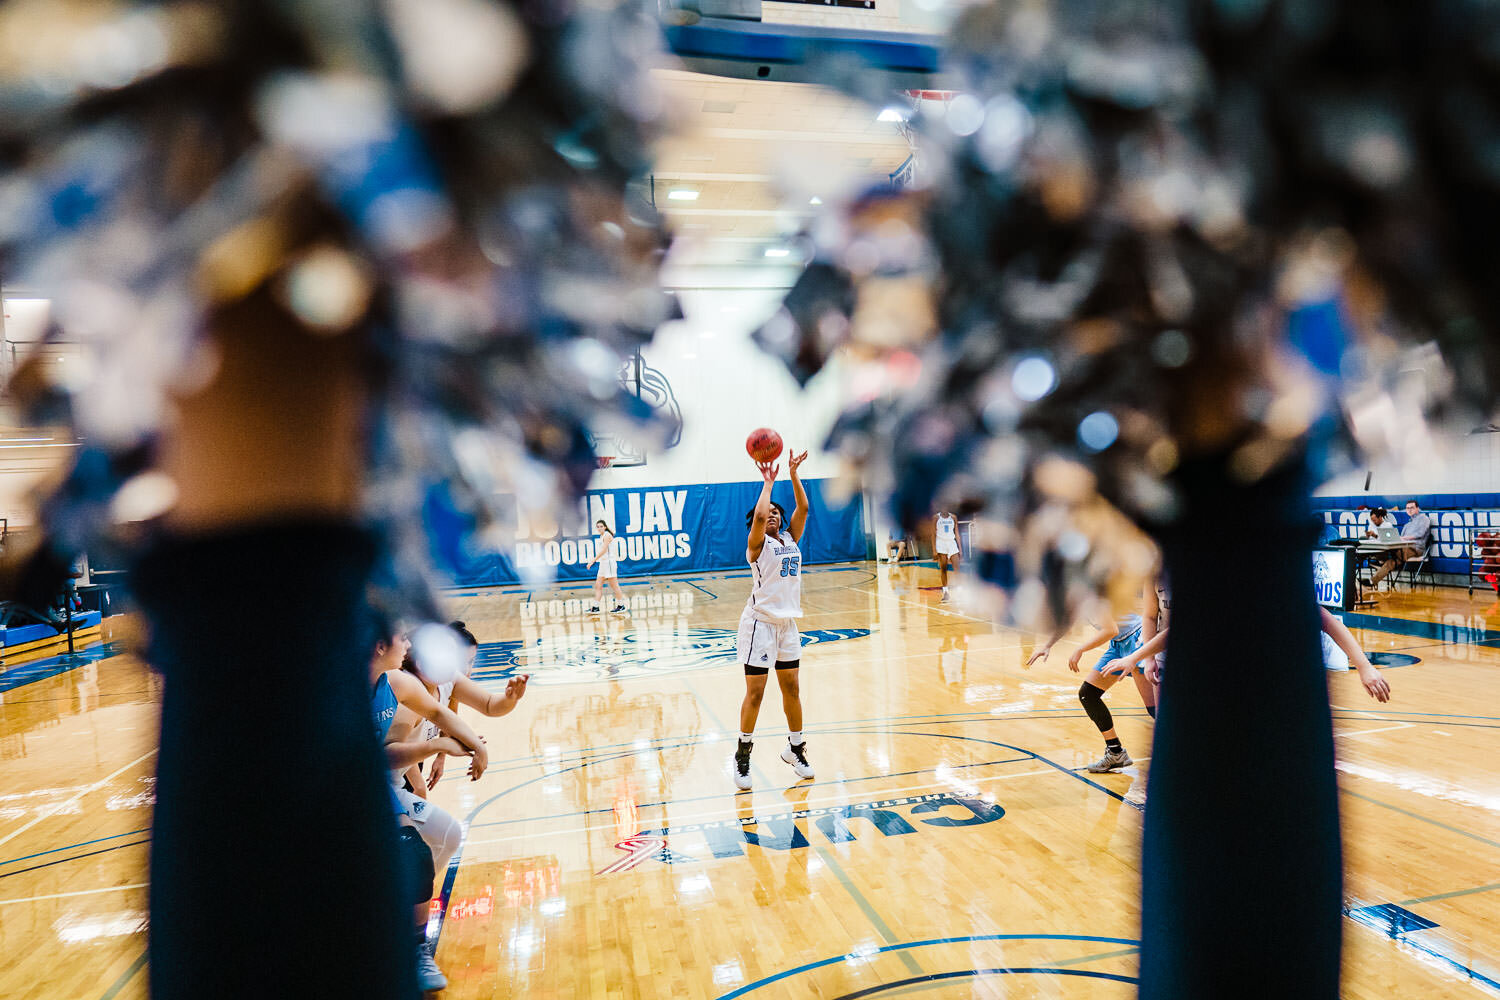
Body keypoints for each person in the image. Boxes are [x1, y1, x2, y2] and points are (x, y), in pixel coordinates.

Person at [371, 625, 490, 992]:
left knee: (427, 847)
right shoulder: (341, 687)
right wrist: (434, 748)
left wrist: (476, 747)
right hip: (339, 788)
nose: (405, 644)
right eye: (400, 639)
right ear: (378, 646)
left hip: (377, 786)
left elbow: (444, 715)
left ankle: (414, 946)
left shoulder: (396, 682)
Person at [733, 449, 813, 790]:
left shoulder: (791, 538)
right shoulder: (757, 545)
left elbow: (804, 509)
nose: (774, 516)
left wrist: (792, 474)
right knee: (756, 693)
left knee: (792, 688)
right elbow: (759, 517)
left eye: (777, 513)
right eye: (768, 514)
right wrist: (768, 482)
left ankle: (795, 748)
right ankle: (742, 754)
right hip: (759, 625)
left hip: (787, 624)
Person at [1028, 597, 1155, 773]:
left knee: (1155, 709)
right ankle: (1116, 752)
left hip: (1137, 640)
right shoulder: (1078, 592)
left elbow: (1111, 630)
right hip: (1118, 645)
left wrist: (1080, 649)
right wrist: (1048, 645)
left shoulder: (1094, 592)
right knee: (1088, 694)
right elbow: (1068, 619)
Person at [404, 621, 531, 794]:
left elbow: (489, 705)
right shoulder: (408, 688)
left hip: (407, 762)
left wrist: (510, 698)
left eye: (470, 661)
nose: (464, 669)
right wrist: (419, 786)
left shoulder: (448, 680)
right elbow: (396, 745)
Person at [1370, 499, 1431, 587]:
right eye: (1407, 508)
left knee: (1389, 552)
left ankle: (1380, 560)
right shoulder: (1407, 525)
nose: (1409, 510)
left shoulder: (1424, 519)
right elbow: (1400, 540)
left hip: (1416, 550)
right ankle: (1372, 582)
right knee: (1391, 562)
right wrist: (1398, 539)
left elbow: (1420, 534)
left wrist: (1402, 538)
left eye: (1412, 508)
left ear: (1417, 508)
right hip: (1404, 551)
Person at [585, 519, 628, 614]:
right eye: (598, 527)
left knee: (614, 585)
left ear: (605, 527)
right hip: (603, 564)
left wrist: (593, 560)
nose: (599, 528)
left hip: (609, 563)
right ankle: (595, 607)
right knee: (598, 585)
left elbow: (604, 550)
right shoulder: (601, 536)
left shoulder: (607, 535)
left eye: (601, 526)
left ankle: (621, 605)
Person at [934, 510, 960, 601]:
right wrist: (934, 550)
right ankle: (945, 593)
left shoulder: (953, 517)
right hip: (941, 544)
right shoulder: (936, 517)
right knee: (943, 569)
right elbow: (932, 534)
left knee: (957, 568)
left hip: (952, 543)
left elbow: (957, 533)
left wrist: (960, 548)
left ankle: (959, 592)